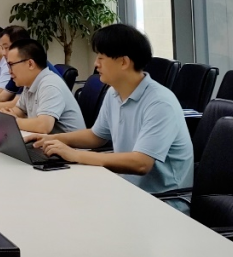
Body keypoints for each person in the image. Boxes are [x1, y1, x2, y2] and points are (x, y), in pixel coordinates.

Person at [29, 24, 192, 194]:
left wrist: (76, 155)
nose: (96, 64)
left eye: (101, 58)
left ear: (123, 62)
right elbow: (96, 136)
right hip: (125, 187)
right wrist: (52, 139)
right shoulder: (114, 92)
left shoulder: (160, 103)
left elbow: (141, 163)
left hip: (162, 199)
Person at [0, 38, 85, 134]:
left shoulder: (50, 84)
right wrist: (7, 113)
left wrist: (12, 121)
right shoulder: (29, 83)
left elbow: (44, 126)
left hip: (68, 143)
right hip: (48, 141)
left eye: (11, 65)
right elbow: (20, 110)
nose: (9, 71)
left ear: (30, 64)